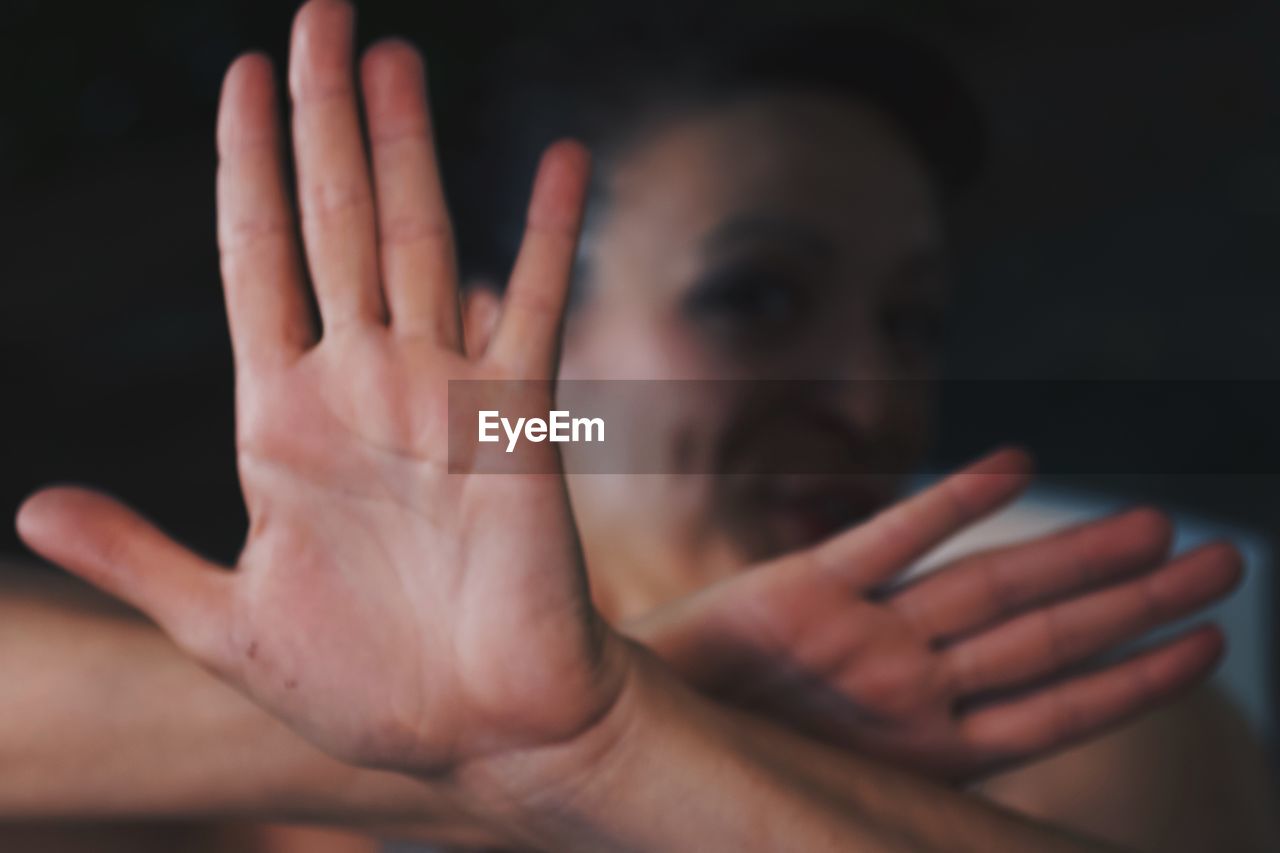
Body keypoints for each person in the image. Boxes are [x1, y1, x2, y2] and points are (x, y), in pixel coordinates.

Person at [3, 1, 1275, 850]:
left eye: (909, 320)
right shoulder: (303, 663)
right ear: (507, 347)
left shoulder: (1070, 706)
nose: (868, 399)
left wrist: (614, 743)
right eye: (754, 301)